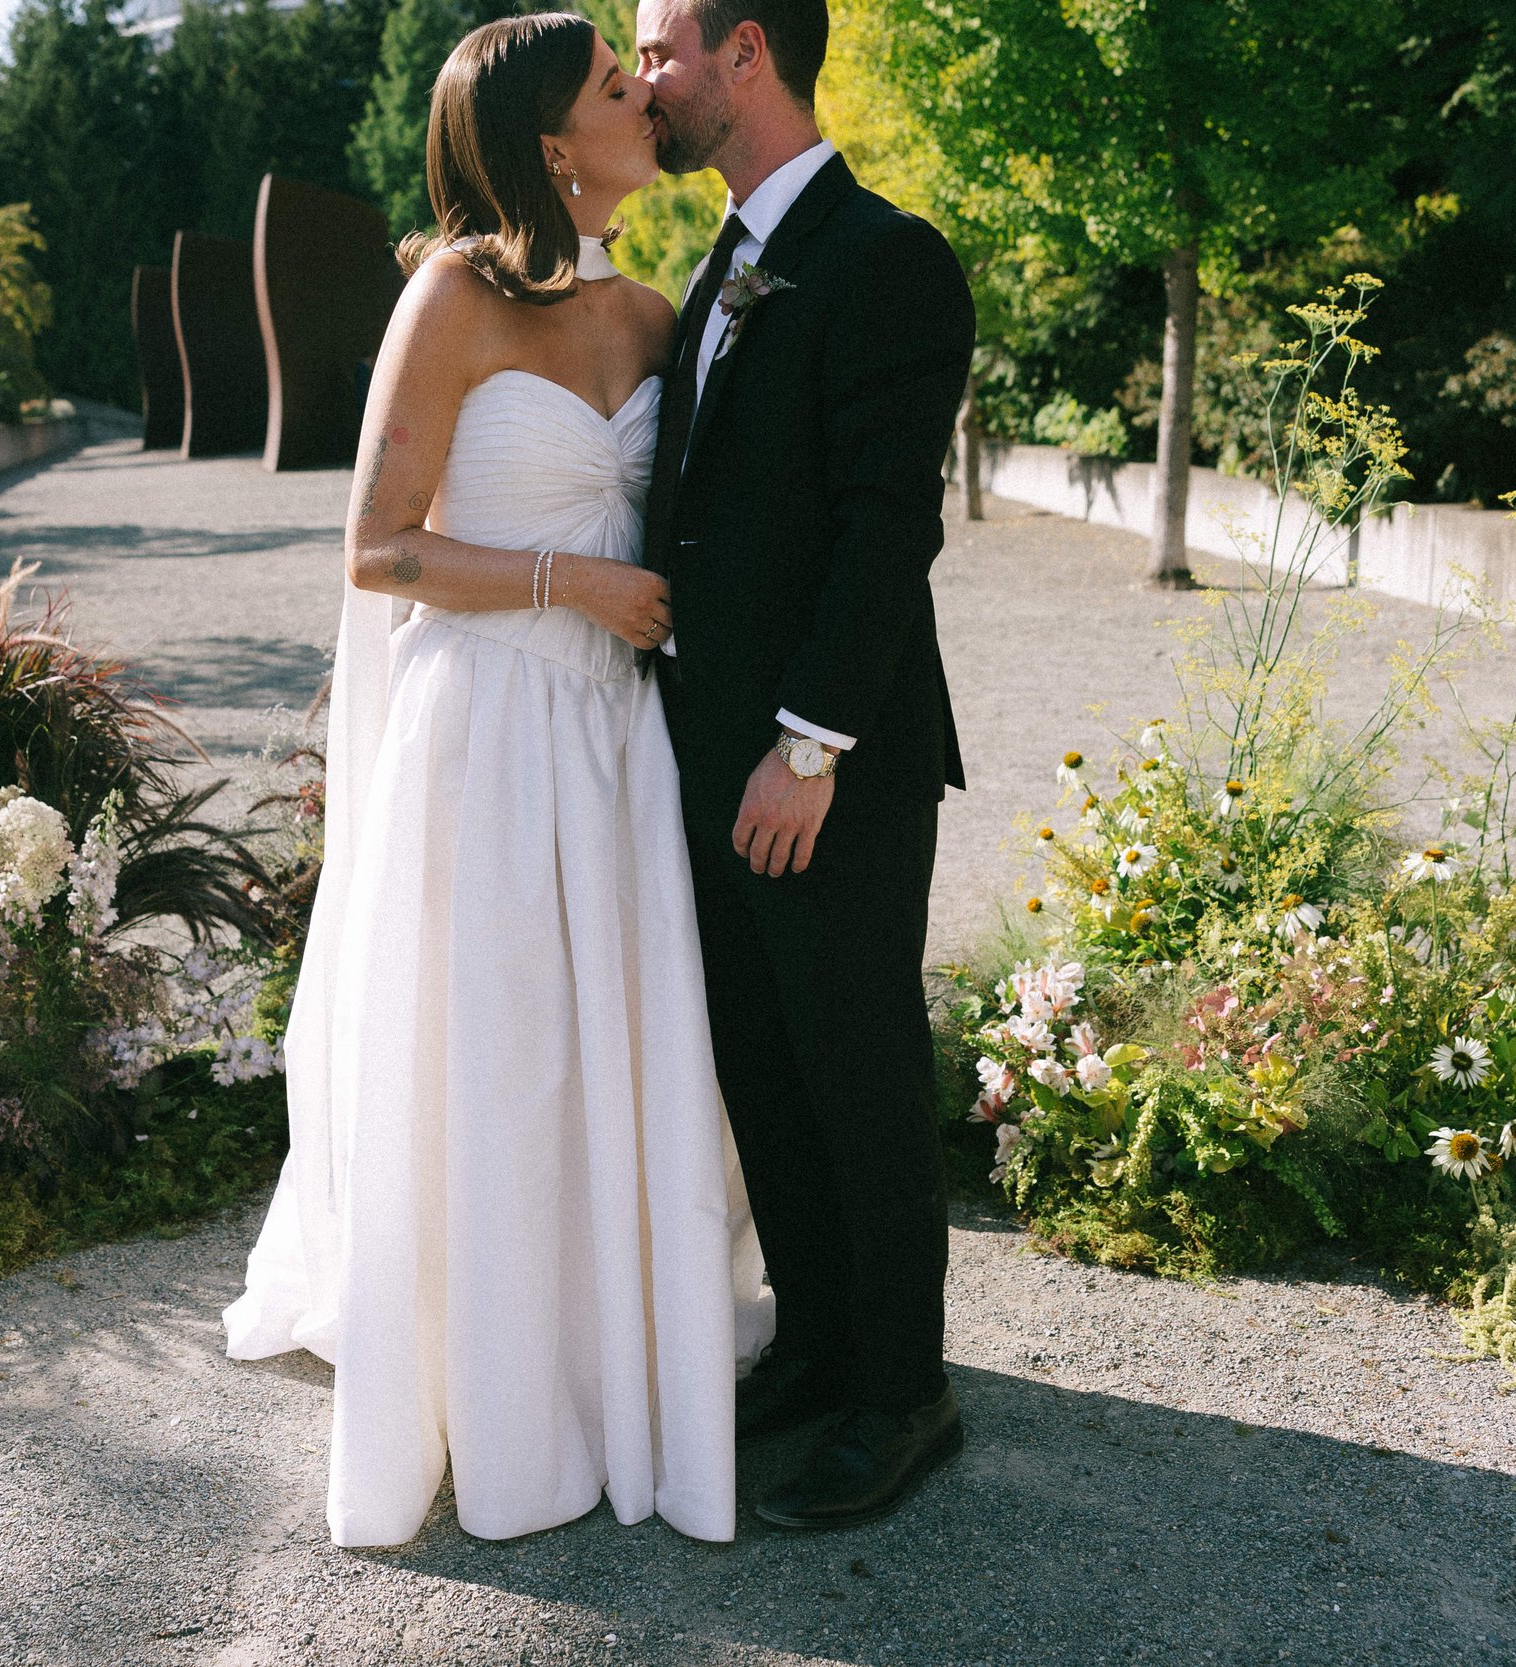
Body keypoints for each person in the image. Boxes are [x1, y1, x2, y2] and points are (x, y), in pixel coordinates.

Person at [221, 12, 772, 1549]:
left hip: (617, 750)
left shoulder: (664, 313)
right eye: (615, 88)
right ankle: (500, 1390)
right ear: (548, 141)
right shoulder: (450, 296)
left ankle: (620, 1360)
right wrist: (568, 586)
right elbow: (377, 548)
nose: (644, 101)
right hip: (489, 741)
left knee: (621, 1047)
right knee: (506, 1056)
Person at [634, 0, 977, 1528]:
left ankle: (906, 1396)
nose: (643, 79)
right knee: (764, 1073)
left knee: (856, 1072)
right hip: (706, 756)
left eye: (658, 51)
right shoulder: (713, 265)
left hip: (822, 766)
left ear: (746, 53)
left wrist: (808, 746)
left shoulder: (883, 256)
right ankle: (825, 1347)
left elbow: (886, 525)